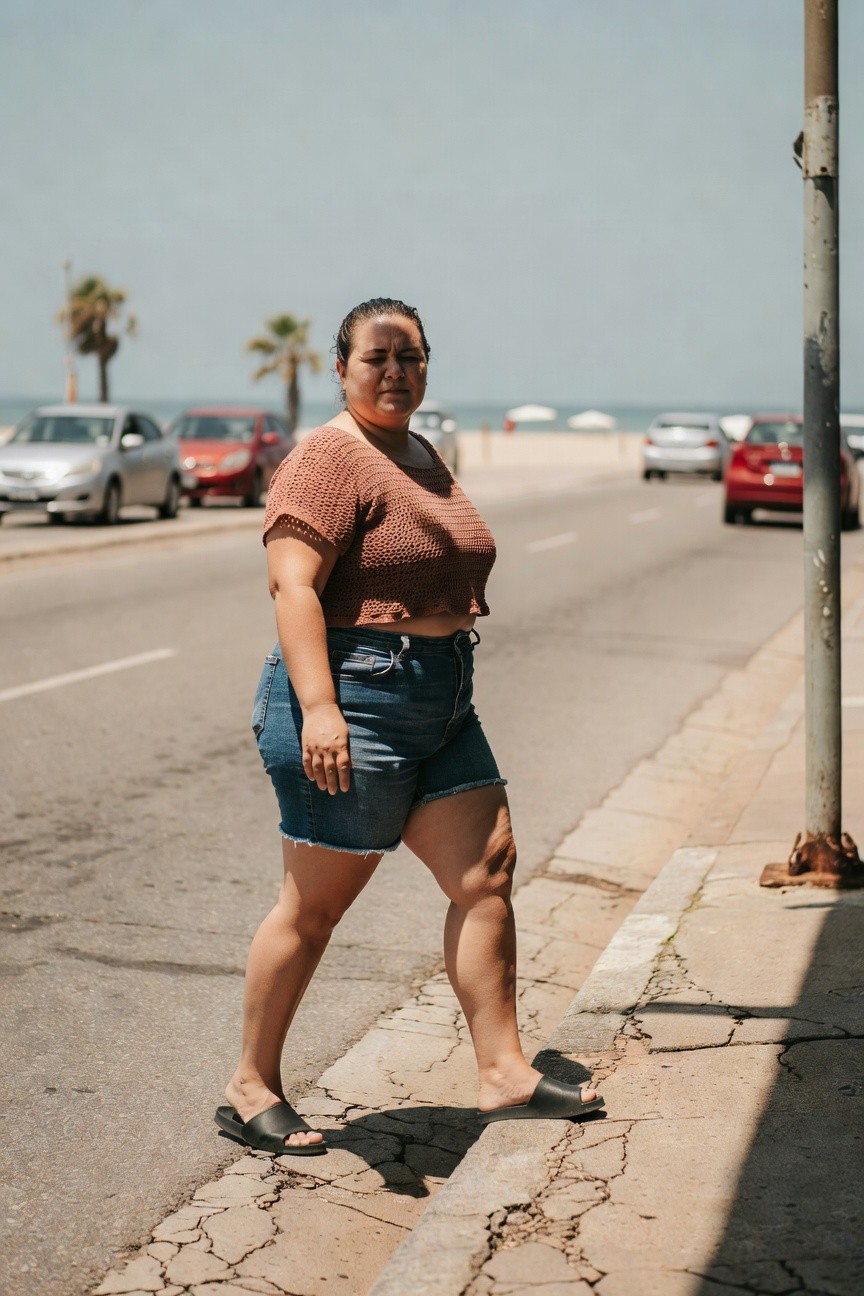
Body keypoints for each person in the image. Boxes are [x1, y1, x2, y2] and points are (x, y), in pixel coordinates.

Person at [216, 298, 603, 1154]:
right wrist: (320, 707)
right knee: (315, 907)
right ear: (342, 368)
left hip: (441, 697)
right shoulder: (327, 457)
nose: (395, 371)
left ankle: (502, 1072)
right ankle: (249, 1084)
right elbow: (293, 587)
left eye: (411, 356)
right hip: (356, 697)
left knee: (486, 872)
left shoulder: (420, 452)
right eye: (376, 357)